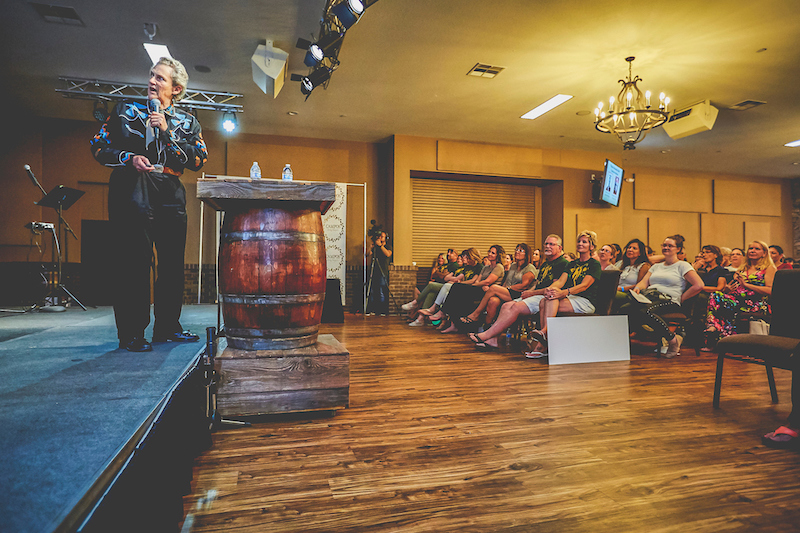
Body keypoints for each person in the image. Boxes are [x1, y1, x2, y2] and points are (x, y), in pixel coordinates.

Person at [91, 57, 208, 352]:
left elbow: (197, 160)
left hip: (170, 189)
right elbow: (98, 146)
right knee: (135, 262)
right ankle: (131, 332)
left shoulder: (189, 122)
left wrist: (166, 131)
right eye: (151, 76)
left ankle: (167, 327)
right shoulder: (123, 111)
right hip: (133, 185)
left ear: (176, 88)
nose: (152, 82)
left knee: (171, 265)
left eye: (160, 78)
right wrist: (127, 159)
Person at [467, 234, 569, 351]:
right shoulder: (546, 264)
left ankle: (486, 335)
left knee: (514, 306)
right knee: (506, 306)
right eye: (546, 244)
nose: (548, 246)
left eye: (552, 244)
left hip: (545, 298)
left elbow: (552, 288)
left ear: (560, 248)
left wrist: (531, 293)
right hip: (534, 294)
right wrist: (529, 292)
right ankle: (493, 340)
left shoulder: (562, 263)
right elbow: (537, 284)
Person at [624, 235, 704, 358]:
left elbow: (698, 285)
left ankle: (671, 340)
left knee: (645, 312)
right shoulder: (656, 266)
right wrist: (638, 288)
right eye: (664, 245)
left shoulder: (682, 265)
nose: (666, 248)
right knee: (625, 308)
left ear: (678, 249)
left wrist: (681, 298)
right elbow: (644, 282)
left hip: (669, 300)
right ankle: (622, 345)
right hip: (651, 297)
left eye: (670, 246)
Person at [705, 240, 776, 343]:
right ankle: (713, 328)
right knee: (716, 295)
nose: (752, 251)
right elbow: (735, 288)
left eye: (757, 249)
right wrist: (727, 290)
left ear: (764, 253)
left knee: (727, 308)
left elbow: (770, 290)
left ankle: (723, 336)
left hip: (756, 302)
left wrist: (747, 285)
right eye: (751, 248)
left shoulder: (768, 268)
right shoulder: (742, 269)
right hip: (738, 300)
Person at [460, 243, 537, 328]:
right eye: (516, 249)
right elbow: (507, 281)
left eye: (521, 250)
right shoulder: (513, 265)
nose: (517, 252)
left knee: (493, 288)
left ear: (526, 254)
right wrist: (502, 289)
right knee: (493, 301)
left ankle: (476, 314)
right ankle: (488, 328)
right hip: (508, 292)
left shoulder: (529, 267)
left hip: (520, 294)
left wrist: (505, 288)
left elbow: (524, 286)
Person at [438, 244, 506, 332]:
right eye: (489, 251)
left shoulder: (499, 267)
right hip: (480, 289)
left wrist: (477, 284)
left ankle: (444, 313)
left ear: (498, 255)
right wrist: (479, 284)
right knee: (456, 288)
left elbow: (487, 281)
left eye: (493, 253)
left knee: (459, 288)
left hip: (489, 291)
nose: (489, 254)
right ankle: (453, 322)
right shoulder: (486, 267)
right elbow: (478, 280)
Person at [366, 231, 392, 315]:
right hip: (374, 271)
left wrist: (380, 245)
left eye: (382, 236)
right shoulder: (376, 248)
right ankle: (373, 309)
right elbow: (367, 254)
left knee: (381, 291)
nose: (380, 238)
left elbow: (388, 254)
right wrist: (370, 247)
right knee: (373, 291)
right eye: (379, 236)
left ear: (386, 238)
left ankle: (382, 310)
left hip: (383, 272)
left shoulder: (388, 247)